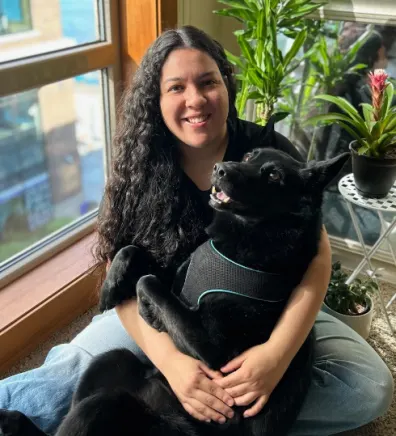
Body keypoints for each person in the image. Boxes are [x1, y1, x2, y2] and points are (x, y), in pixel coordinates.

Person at [0, 25, 393, 436]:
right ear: (156, 98)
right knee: (71, 372)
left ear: (227, 84)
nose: (195, 100)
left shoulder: (267, 151)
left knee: (366, 386)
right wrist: (171, 363)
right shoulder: (139, 166)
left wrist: (276, 356)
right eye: (176, 88)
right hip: (158, 306)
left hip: (266, 310)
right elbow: (123, 286)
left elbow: (318, 258)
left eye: (207, 82)